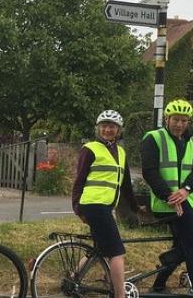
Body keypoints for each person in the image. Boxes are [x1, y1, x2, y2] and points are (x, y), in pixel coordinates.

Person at [72, 109, 142, 298]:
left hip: (105, 207)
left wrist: (136, 208)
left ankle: (71, 281)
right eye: (104, 126)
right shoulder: (90, 149)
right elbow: (79, 180)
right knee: (117, 253)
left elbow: (126, 184)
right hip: (94, 205)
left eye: (112, 126)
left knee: (100, 250)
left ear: (119, 130)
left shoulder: (121, 152)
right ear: (98, 128)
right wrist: (77, 208)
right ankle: (120, 295)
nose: (107, 130)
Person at [141, 99, 193, 297]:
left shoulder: (192, 141)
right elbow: (149, 172)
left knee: (182, 245)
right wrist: (171, 197)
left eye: (185, 121)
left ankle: (159, 285)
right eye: (176, 120)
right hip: (164, 202)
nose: (180, 124)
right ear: (166, 119)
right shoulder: (153, 138)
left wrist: (186, 189)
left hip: (186, 201)